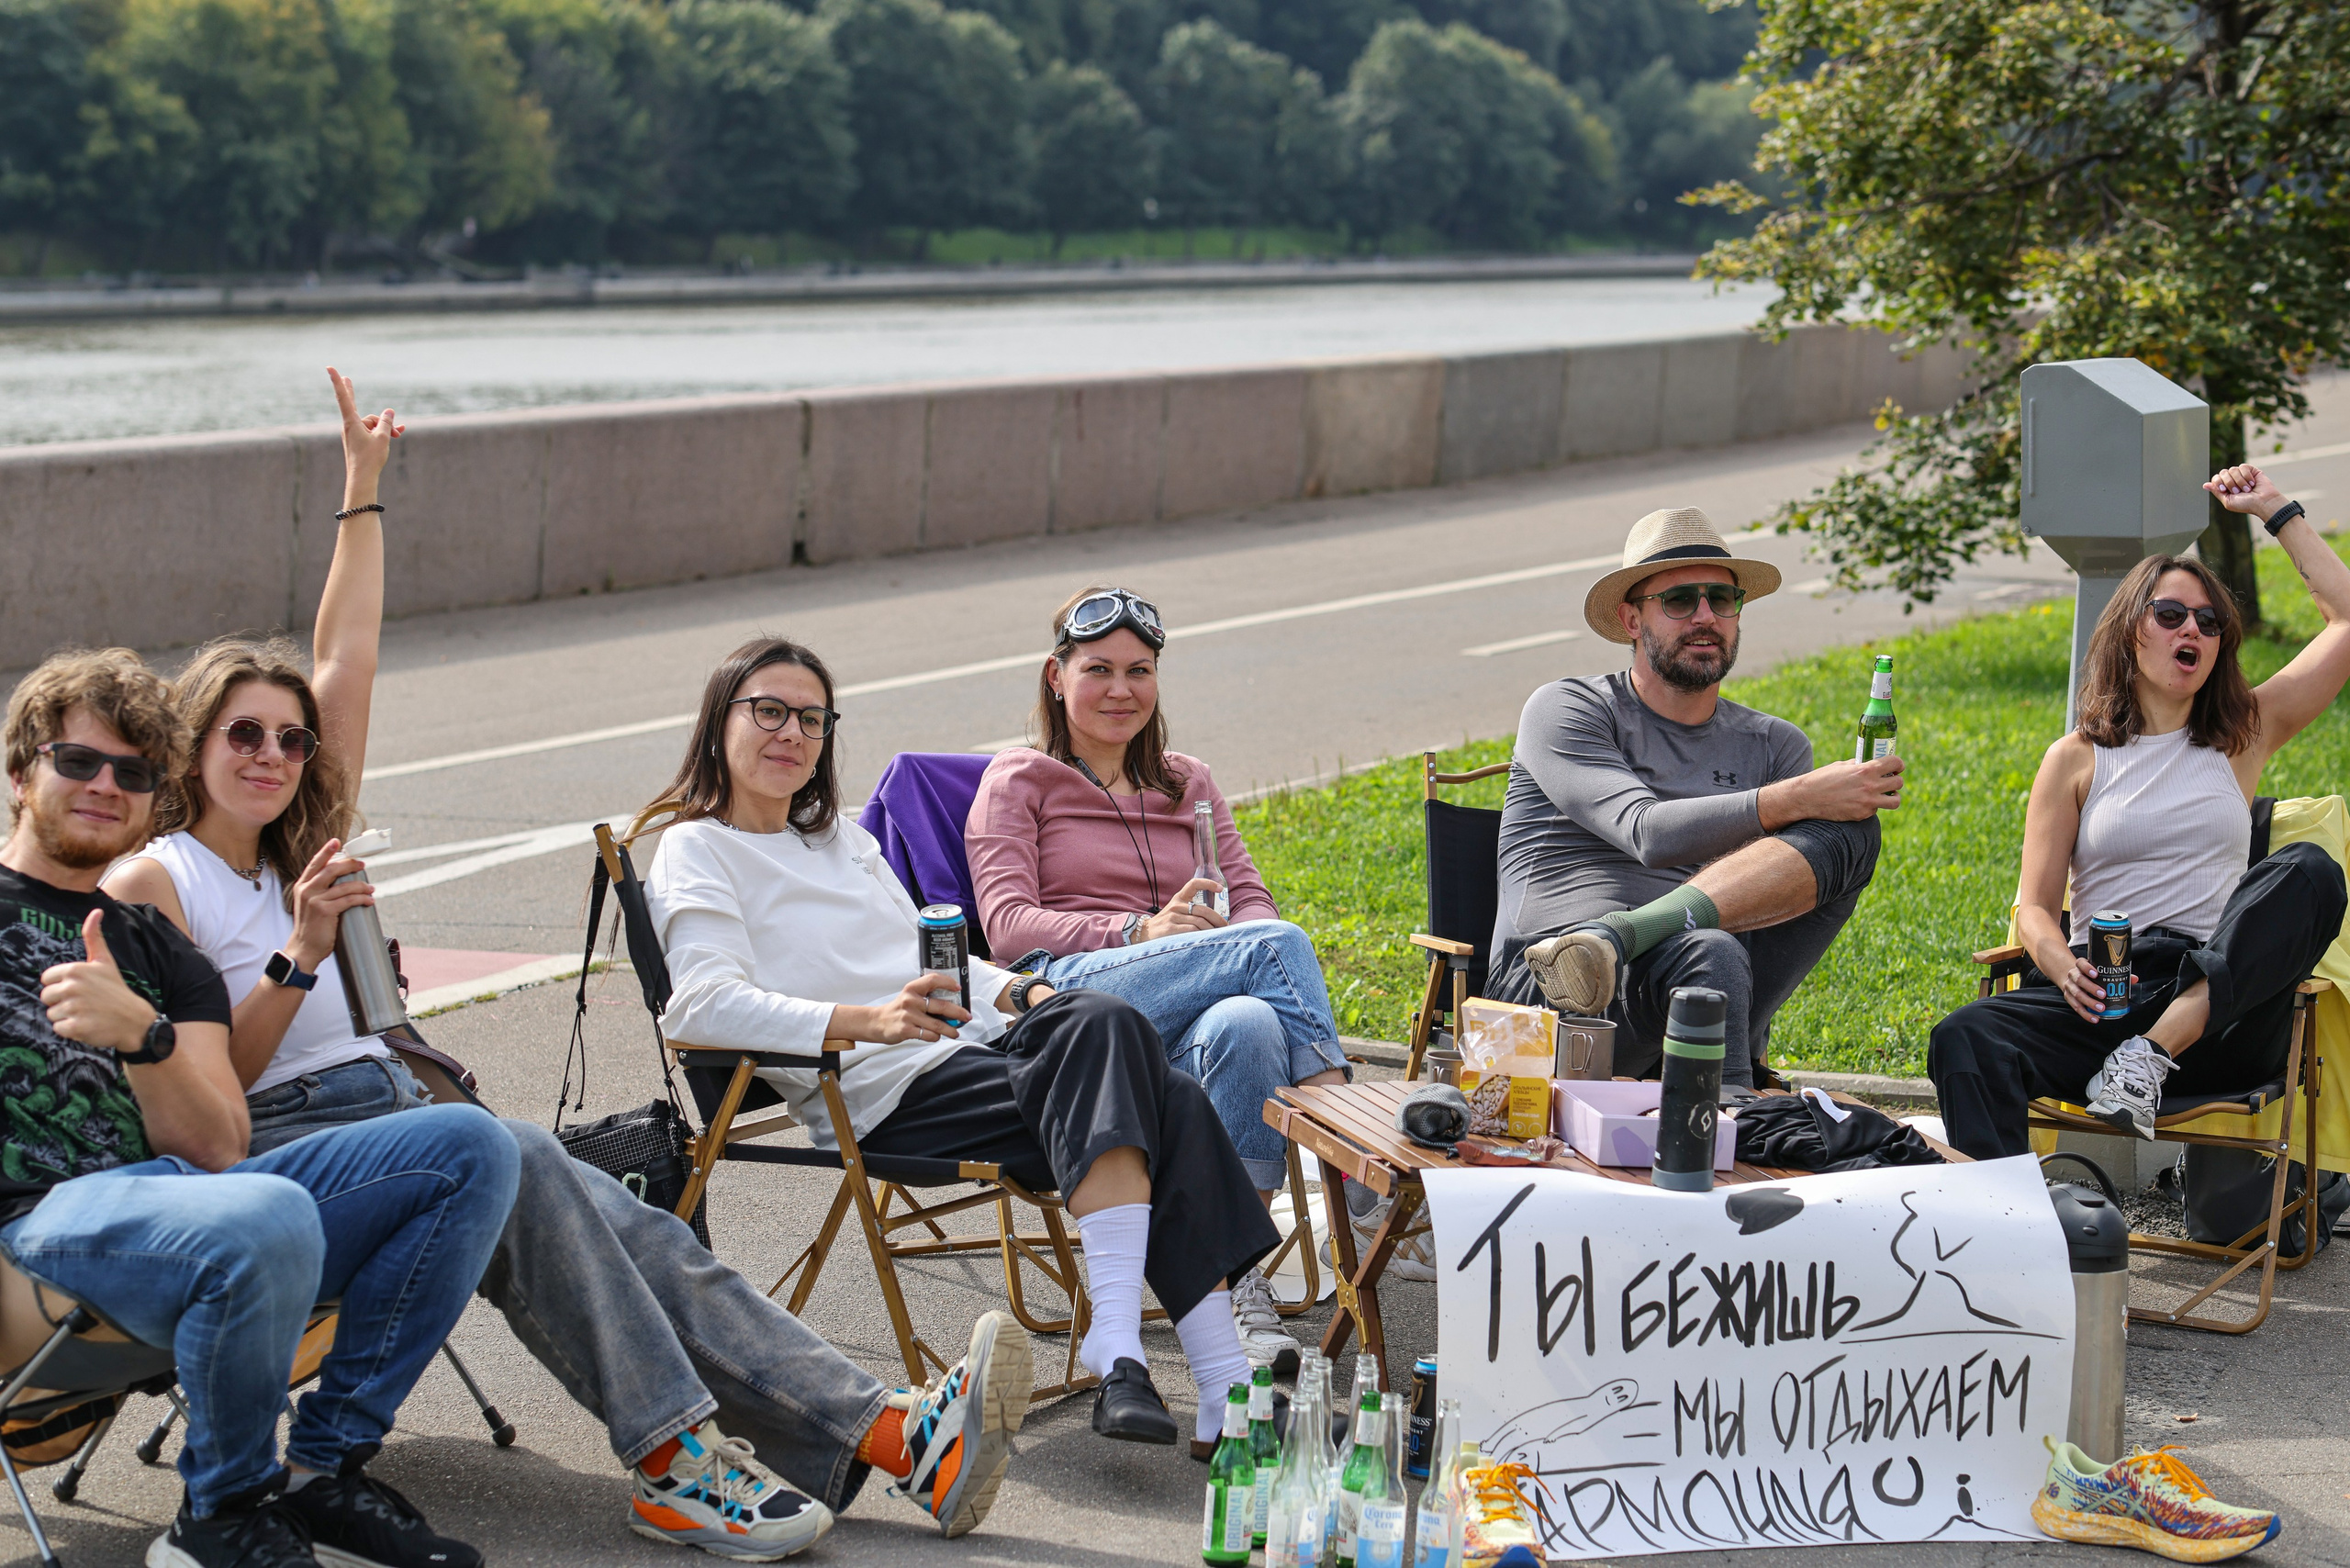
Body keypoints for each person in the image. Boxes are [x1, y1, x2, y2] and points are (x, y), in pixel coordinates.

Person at [107, 370, 1027, 1561]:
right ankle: (674, 1460)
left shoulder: (304, 846)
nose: (277, 752)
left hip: (399, 1114)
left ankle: (900, 1439)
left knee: (633, 1231)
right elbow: (205, 1110)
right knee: (524, 1166)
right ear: (196, 743)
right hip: (291, 1147)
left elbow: (349, 657)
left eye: (292, 737)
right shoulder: (160, 879)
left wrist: (362, 493)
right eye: (245, 734)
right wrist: (298, 955)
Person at [643, 634, 1283, 1460]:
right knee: (1166, 1095)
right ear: (718, 722)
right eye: (768, 711)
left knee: (1103, 1021)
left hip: (972, 1057)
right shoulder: (699, 848)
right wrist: (870, 1020)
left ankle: (1132, 1354)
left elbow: (937, 959)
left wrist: (1021, 991)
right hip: (880, 1092)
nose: (791, 734)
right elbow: (696, 1007)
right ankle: (1213, 1382)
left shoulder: (845, 841)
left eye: (811, 718)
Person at [0, 647, 518, 1568]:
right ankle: (224, 1510)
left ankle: (325, 1468)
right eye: (77, 761)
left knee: (473, 1148)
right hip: (34, 1225)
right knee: (263, 1207)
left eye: (131, 771)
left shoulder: (159, 949)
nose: (105, 785)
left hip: (169, 1195)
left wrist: (143, 1037)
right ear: (19, 773)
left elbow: (215, 1140)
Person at [964, 585, 1350, 1365]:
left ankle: (1237, 1283)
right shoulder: (1018, 779)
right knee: (1274, 946)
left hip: (1187, 1001)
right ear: (1055, 675)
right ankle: (1356, 1157)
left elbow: (1248, 900)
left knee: (1247, 1020)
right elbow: (1007, 927)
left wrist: (1207, 942)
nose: (1120, 690)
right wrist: (1139, 930)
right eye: (1098, 669)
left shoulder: (1188, 782)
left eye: (1139, 671)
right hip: (1071, 1000)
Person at [1929, 465, 2350, 1155]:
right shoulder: (2075, 758)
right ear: (2132, 631)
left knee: (2309, 869)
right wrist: (2058, 962)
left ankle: (2146, 1060)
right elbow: (2035, 906)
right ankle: (2014, 1230)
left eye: (2210, 622)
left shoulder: (2245, 731)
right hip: (2105, 991)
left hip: (2214, 1010)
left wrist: (2277, 511)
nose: (2195, 629)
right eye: (2172, 613)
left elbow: (2347, 618)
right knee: (1964, 1036)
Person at [1486, 506, 1900, 1088]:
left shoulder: (1774, 745)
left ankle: (1631, 943)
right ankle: (1731, 1113)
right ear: (1632, 619)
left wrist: (1815, 801)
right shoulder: (1568, 708)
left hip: (1703, 979)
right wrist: (1798, 796)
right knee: (1710, 948)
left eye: (1721, 599)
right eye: (1680, 600)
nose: (1706, 617)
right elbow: (1646, 832)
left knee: (1851, 833)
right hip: (1552, 993)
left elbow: (1780, 889)